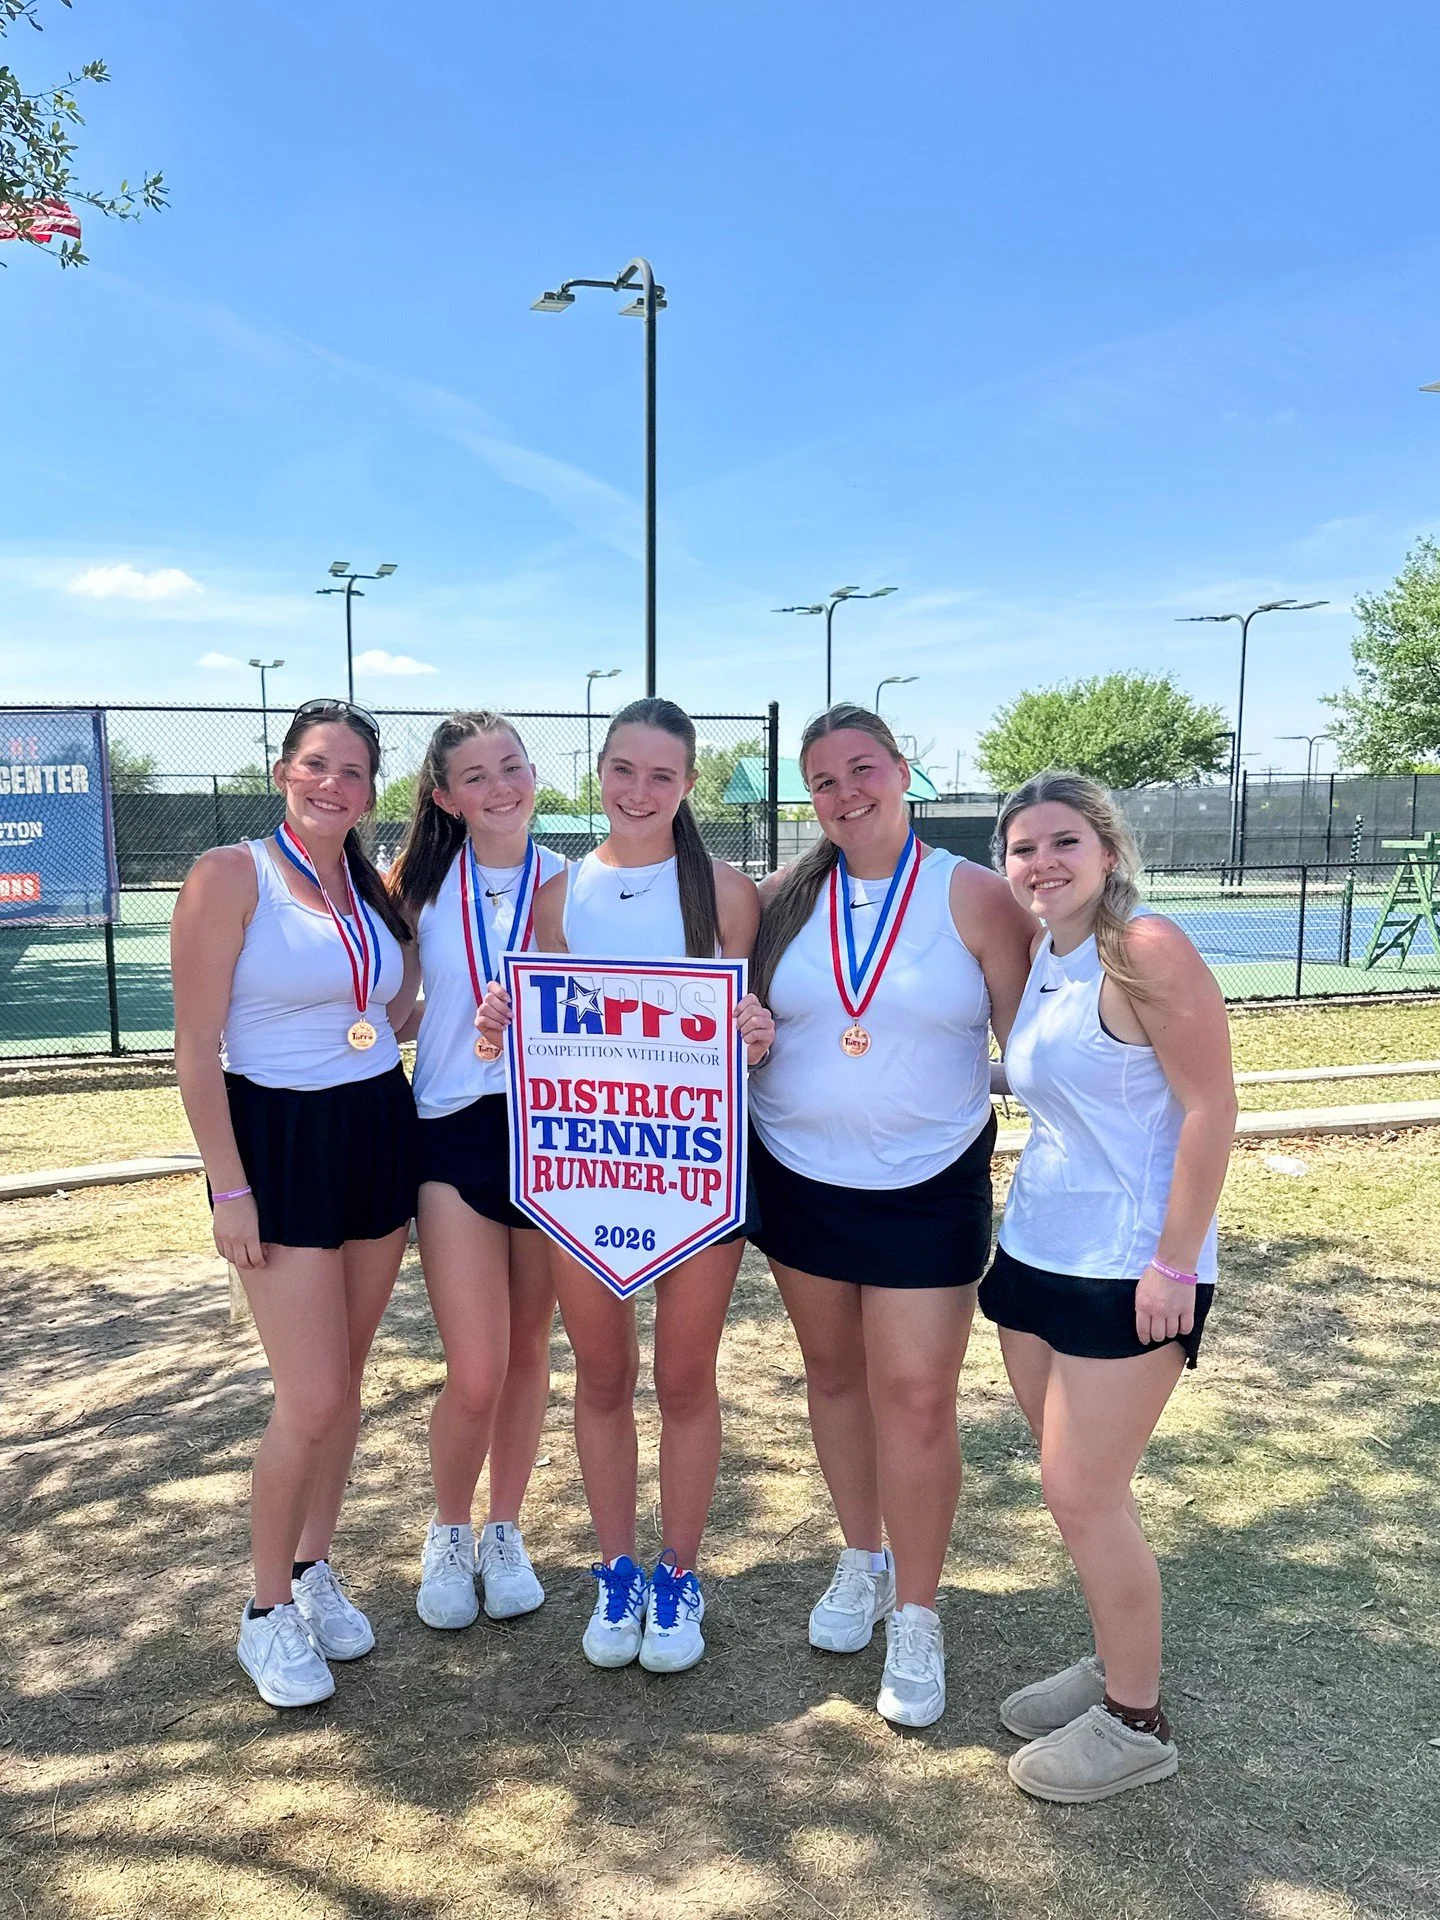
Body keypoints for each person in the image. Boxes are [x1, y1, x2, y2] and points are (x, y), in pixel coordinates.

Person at [747, 704, 1034, 1728]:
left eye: (861, 769)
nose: (844, 793)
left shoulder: (979, 897)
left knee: (914, 1398)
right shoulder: (780, 897)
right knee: (833, 1377)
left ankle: (918, 1609)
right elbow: (713, 1013)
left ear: (903, 770)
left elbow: (1035, 1043)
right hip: (797, 1173)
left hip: (928, 1181)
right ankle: (860, 1558)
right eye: (823, 781)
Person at [478, 696, 773, 1675]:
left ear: (688, 785)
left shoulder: (728, 893)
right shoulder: (560, 897)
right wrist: (501, 1022)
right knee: (602, 1379)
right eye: (622, 769)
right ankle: (616, 1572)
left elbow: (747, 1024)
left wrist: (756, 1032)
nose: (638, 791)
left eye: (660, 774)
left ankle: (678, 1577)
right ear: (596, 774)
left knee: (685, 1383)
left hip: (697, 1175)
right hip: (588, 1175)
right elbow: (547, 1035)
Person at [979, 769, 1234, 1802]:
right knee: (1079, 1491)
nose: (1041, 863)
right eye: (1024, 848)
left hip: (1130, 1272)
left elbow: (1212, 1109)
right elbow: (1043, 1075)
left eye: (1063, 843)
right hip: (1038, 1250)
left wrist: (1175, 1262)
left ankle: (1137, 1721)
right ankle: (1110, 1659)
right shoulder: (1048, 953)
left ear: (1109, 850)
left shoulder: (1146, 948)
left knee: (1080, 1492)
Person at [171, 699, 420, 1710]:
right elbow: (194, 1051)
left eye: (354, 773)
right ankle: (265, 1611)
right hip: (275, 1144)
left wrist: (444, 1006)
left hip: (373, 1127)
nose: (335, 785)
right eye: (318, 765)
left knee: (348, 1384)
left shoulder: (367, 883)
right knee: (309, 1397)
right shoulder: (230, 875)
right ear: (284, 771)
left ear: (370, 791)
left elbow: (381, 1008)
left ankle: (315, 1570)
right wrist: (230, 1187)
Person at [388, 712, 567, 1631]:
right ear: (445, 796)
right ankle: (448, 1530)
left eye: (512, 767)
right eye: (476, 775)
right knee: (479, 1364)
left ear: (534, 776)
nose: (500, 787)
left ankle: (506, 1530)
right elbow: (396, 1005)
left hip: (551, 1140)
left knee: (530, 1352)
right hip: (453, 1130)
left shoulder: (576, 887)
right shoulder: (412, 888)